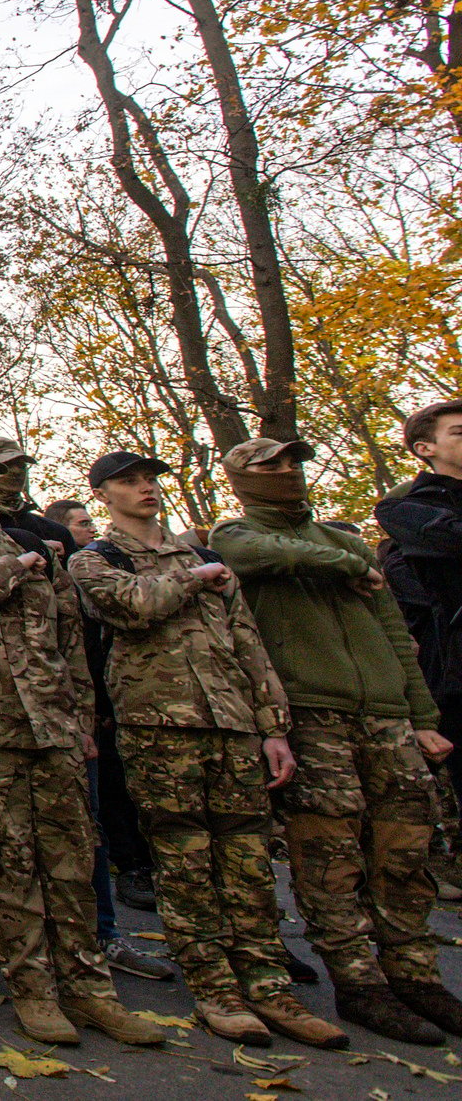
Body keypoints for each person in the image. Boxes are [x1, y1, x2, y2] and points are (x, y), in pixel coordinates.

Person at [0, 447, 162, 1050]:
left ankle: (90, 988)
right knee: (8, 864)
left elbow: (70, 635)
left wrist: (79, 715)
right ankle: (33, 989)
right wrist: (14, 567)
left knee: (73, 859)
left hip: (53, 728)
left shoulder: (48, 550)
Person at [67, 450, 321, 1043]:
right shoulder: (96, 559)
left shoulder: (205, 556)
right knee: (182, 861)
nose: (145, 490)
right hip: (159, 724)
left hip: (233, 723)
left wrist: (273, 726)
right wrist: (191, 579)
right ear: (103, 494)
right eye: (128, 482)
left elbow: (247, 643)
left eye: (150, 480)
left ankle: (268, 985)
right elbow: (130, 608)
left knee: (248, 860)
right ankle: (214, 988)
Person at [215, 436, 458, 1046]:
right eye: (272, 466)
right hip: (311, 712)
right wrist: (353, 565)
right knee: (330, 853)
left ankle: (416, 976)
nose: (289, 473)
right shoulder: (236, 538)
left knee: (405, 849)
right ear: (243, 479)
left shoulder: (343, 540)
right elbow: (265, 554)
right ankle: (359, 982)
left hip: (386, 714)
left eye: (295, 463)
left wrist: (422, 716)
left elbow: (397, 637)